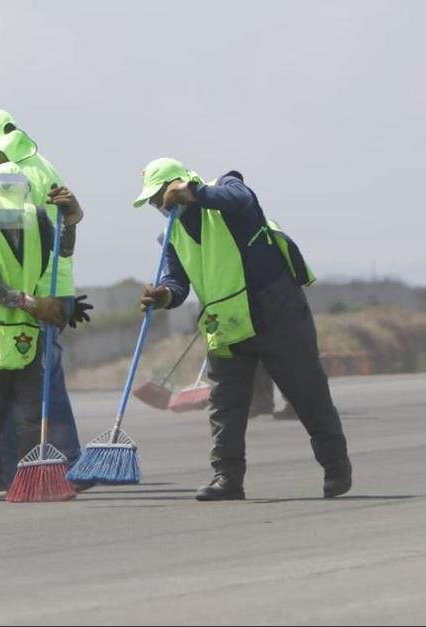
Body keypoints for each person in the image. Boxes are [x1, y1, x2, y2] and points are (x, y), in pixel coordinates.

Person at [134, 157, 351, 501]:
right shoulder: (171, 235)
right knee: (226, 404)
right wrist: (164, 296)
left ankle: (336, 466)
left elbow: (240, 198)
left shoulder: (225, 189)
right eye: (151, 202)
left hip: (276, 311)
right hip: (226, 322)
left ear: (175, 185)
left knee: (307, 391)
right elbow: (176, 280)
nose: (157, 205)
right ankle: (227, 478)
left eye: (158, 196)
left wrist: (193, 193)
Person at [0, 109, 89, 463]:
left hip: (35, 288)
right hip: (43, 284)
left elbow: (25, 244)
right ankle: (34, 461)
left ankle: (60, 459)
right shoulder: (37, 165)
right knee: (37, 378)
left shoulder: (15, 177)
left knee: (35, 380)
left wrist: (32, 299)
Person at [0, 162, 81, 500]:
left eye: (16, 191)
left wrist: (70, 219)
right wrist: (32, 302)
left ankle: (30, 482)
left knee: (29, 412)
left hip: (27, 331)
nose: (11, 200)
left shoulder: (39, 220)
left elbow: (63, 251)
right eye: (5, 192)